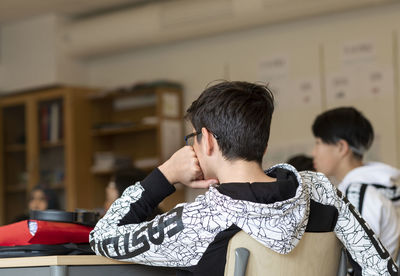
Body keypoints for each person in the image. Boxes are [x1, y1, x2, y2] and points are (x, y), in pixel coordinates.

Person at [90, 81, 397, 276]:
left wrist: (165, 175)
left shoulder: (199, 221)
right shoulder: (320, 190)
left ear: (206, 141)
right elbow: (381, 267)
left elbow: (101, 238)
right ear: (262, 144)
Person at [312, 107, 400, 259]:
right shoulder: (378, 186)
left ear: (341, 147)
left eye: (318, 143)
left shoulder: (359, 194)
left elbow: (361, 262)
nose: (313, 152)